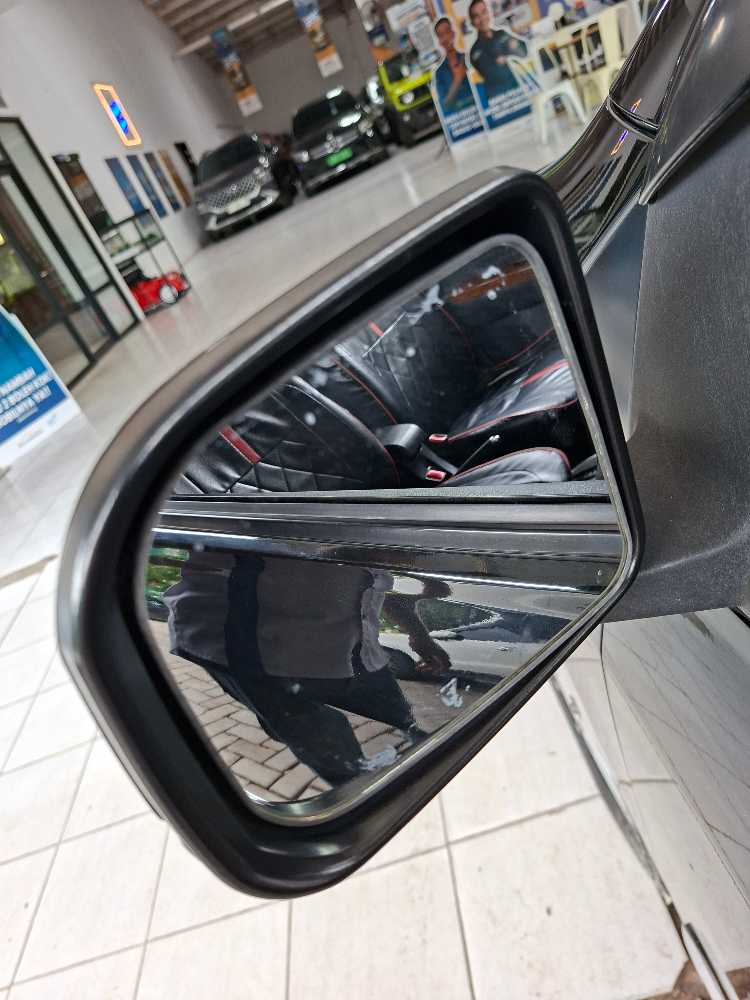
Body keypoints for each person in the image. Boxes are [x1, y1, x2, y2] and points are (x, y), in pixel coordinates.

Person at [164, 548, 451, 787]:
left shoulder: (387, 509)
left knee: (405, 722)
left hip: (359, 651)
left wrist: (419, 635)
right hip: (255, 652)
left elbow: (375, 581)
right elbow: (364, 554)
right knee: (337, 758)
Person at [467, 0, 528, 100]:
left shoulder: (502, 33)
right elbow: (494, 74)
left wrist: (512, 51)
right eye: (476, 16)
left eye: (484, 12)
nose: (482, 18)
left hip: (519, 90)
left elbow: (524, 52)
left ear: (489, 12)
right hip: (499, 99)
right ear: (472, 22)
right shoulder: (474, 52)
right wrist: (509, 53)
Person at [433, 17, 475, 114]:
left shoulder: (469, 58)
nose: (446, 37)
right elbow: (444, 105)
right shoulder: (439, 73)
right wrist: (457, 79)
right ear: (439, 41)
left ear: (453, 33)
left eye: (447, 31)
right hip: (460, 118)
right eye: (441, 35)